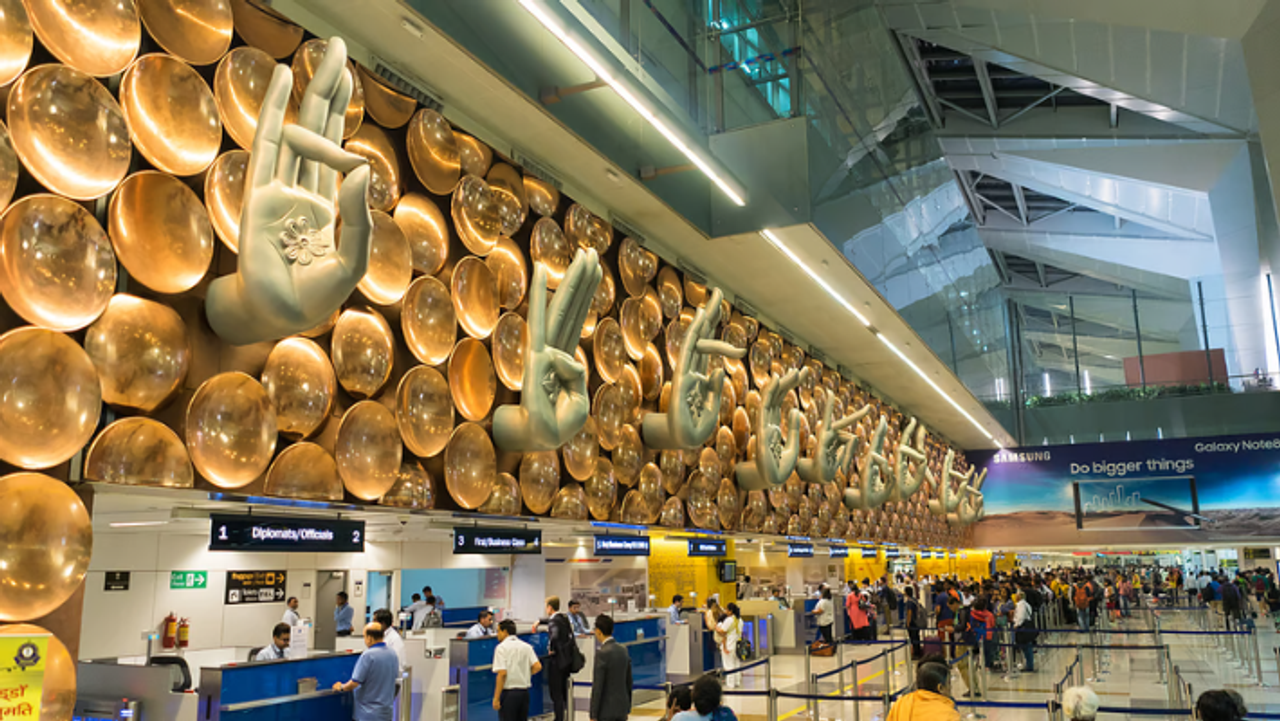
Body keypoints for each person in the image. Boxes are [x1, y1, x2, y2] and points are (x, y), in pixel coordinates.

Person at [333, 623, 399, 721]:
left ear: (370, 638)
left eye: (364, 637)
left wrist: (341, 687)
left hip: (367, 715)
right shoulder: (392, 653)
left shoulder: (368, 656)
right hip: (386, 714)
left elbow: (354, 682)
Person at [493, 620, 542, 721]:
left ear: (505, 632)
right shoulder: (526, 646)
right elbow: (537, 666)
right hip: (524, 693)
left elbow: (502, 674)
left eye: (498, 631)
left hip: (509, 694)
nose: (497, 635)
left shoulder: (501, 648)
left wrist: (496, 698)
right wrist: (526, 674)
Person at [589, 614, 633, 721]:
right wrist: (628, 705)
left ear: (598, 631)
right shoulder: (623, 650)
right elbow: (629, 681)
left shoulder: (602, 653)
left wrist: (593, 714)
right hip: (622, 708)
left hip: (606, 711)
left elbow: (598, 685)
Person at [885, 660, 959, 721]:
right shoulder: (949, 715)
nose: (950, 687)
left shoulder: (901, 703)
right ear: (941, 688)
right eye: (948, 684)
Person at [545, 597, 574, 721]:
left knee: (556, 693)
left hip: (556, 661)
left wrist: (551, 648)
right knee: (563, 692)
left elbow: (555, 636)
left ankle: (559, 718)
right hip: (566, 660)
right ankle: (566, 716)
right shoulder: (563, 618)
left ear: (550, 607)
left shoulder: (553, 622)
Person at [717, 603, 743, 688]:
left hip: (728, 645)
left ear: (730, 611)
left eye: (726, 609)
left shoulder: (729, 620)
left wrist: (717, 628)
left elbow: (723, 632)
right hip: (738, 645)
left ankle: (730, 684)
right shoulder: (740, 620)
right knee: (736, 664)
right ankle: (737, 682)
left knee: (729, 665)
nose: (725, 611)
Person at [1013, 591, 1035, 673]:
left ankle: (1029, 665)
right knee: (1027, 646)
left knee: (1026, 647)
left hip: (1023, 627)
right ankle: (1029, 664)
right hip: (1027, 625)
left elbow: (1021, 616)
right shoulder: (1026, 604)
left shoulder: (1021, 605)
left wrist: (1017, 625)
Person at [903, 586, 924, 659]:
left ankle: (916, 654)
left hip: (912, 622)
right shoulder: (915, 600)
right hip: (917, 622)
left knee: (913, 638)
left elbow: (909, 612)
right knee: (916, 637)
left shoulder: (909, 602)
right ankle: (918, 652)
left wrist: (908, 623)